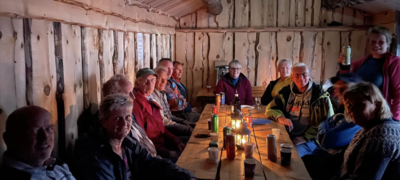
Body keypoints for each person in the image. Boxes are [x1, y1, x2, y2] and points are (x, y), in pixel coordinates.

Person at [72, 94, 196, 180]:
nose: (124, 123)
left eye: (128, 118)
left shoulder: (127, 143)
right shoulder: (94, 155)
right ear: (104, 122)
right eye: (117, 119)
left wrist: (185, 176)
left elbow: (151, 162)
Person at [265, 62, 334, 157]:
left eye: (304, 74)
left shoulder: (320, 96)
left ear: (309, 75)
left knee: (292, 156)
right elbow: (271, 108)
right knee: (269, 149)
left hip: (312, 139)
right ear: (291, 77)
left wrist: (306, 137)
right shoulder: (286, 92)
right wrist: (280, 117)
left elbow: (328, 123)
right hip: (287, 135)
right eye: (297, 75)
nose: (301, 78)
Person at [302, 73, 363, 180]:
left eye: (343, 89)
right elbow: (324, 126)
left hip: (330, 165)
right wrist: (325, 128)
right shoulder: (342, 110)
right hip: (319, 154)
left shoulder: (358, 115)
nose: (338, 93)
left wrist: (324, 129)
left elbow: (328, 139)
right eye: (336, 88)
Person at [340, 82, 400, 180]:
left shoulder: (380, 134)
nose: (352, 110)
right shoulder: (367, 130)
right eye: (349, 105)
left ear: (377, 105)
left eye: (359, 105)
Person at [338, 26, 400, 120]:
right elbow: (346, 81)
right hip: (356, 113)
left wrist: (395, 119)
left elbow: (398, 94)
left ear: (388, 43)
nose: (376, 45)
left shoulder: (394, 63)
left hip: (377, 116)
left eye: (381, 42)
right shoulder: (362, 62)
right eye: (373, 41)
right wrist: (343, 66)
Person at [0, 106, 75, 180]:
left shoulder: (57, 164)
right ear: (9, 139)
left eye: (49, 129)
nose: (45, 137)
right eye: (33, 131)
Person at [132, 68, 184, 162]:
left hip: (164, 144)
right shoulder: (136, 104)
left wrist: (177, 141)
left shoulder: (151, 99)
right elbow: (142, 140)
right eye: (146, 80)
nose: (150, 83)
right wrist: (167, 153)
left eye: (152, 80)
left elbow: (161, 129)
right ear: (137, 83)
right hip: (154, 153)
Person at [100, 74, 158, 157]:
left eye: (133, 92)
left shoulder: (129, 114)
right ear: (113, 94)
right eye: (128, 93)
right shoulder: (113, 123)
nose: (133, 97)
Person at [152, 66, 193, 137]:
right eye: (160, 79)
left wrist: (182, 122)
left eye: (165, 79)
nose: (164, 82)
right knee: (192, 132)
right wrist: (184, 126)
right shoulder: (153, 97)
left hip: (172, 121)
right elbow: (163, 121)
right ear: (154, 80)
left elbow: (169, 116)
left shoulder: (163, 92)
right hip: (165, 130)